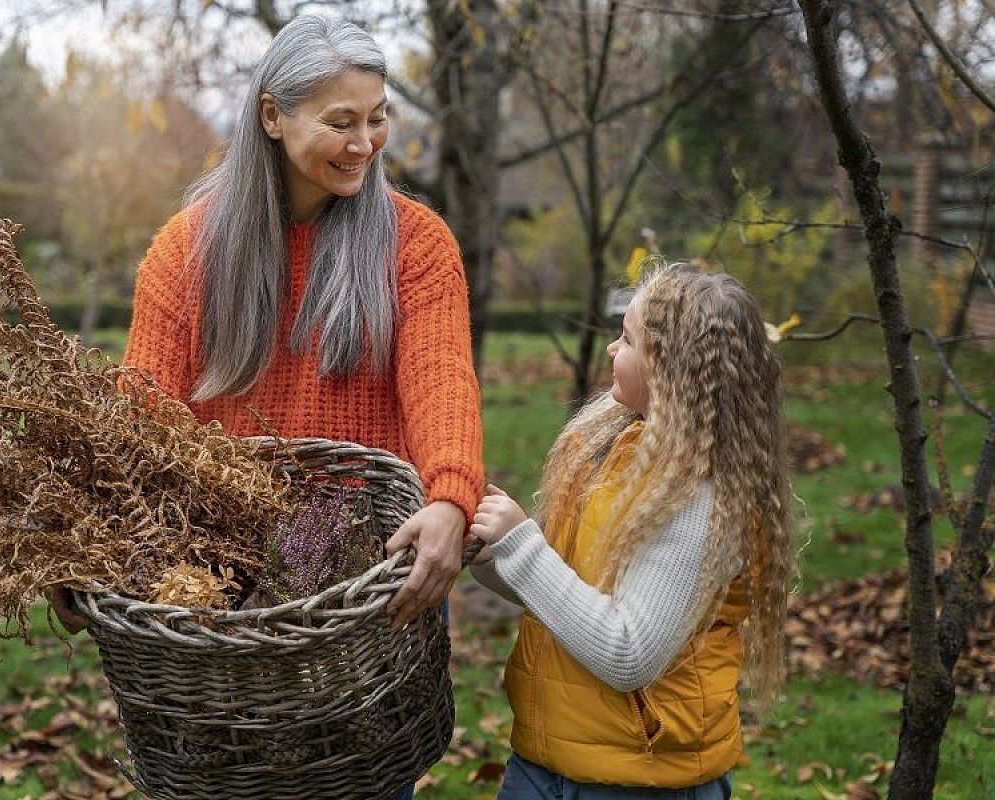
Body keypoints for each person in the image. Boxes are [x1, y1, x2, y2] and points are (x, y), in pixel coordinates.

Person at [50, 15, 483, 795]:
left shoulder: (415, 246)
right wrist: (91, 538)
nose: (366, 143)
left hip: (367, 588)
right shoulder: (187, 252)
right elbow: (137, 423)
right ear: (272, 116)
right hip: (226, 603)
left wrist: (451, 497)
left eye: (379, 117)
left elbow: (442, 380)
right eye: (341, 122)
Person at [468, 264, 793, 799]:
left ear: (670, 369)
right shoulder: (620, 454)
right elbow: (567, 596)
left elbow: (628, 654)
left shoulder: (698, 499)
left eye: (627, 339)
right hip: (547, 756)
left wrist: (522, 548)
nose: (613, 351)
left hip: (641, 777)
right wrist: (494, 553)